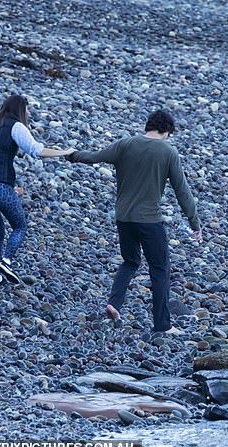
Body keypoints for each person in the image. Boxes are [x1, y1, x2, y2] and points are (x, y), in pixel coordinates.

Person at [67, 110, 202, 335]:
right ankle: (163, 325)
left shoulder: (125, 144)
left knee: (130, 261)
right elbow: (182, 191)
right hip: (150, 220)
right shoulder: (168, 151)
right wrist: (195, 223)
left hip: (123, 218)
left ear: (148, 126)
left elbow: (94, 157)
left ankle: (114, 303)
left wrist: (72, 154)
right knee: (159, 270)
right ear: (167, 131)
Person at [0, 94, 74, 287]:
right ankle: (7, 262)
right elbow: (36, 150)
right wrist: (64, 152)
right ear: (20, 110)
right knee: (20, 226)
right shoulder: (16, 126)